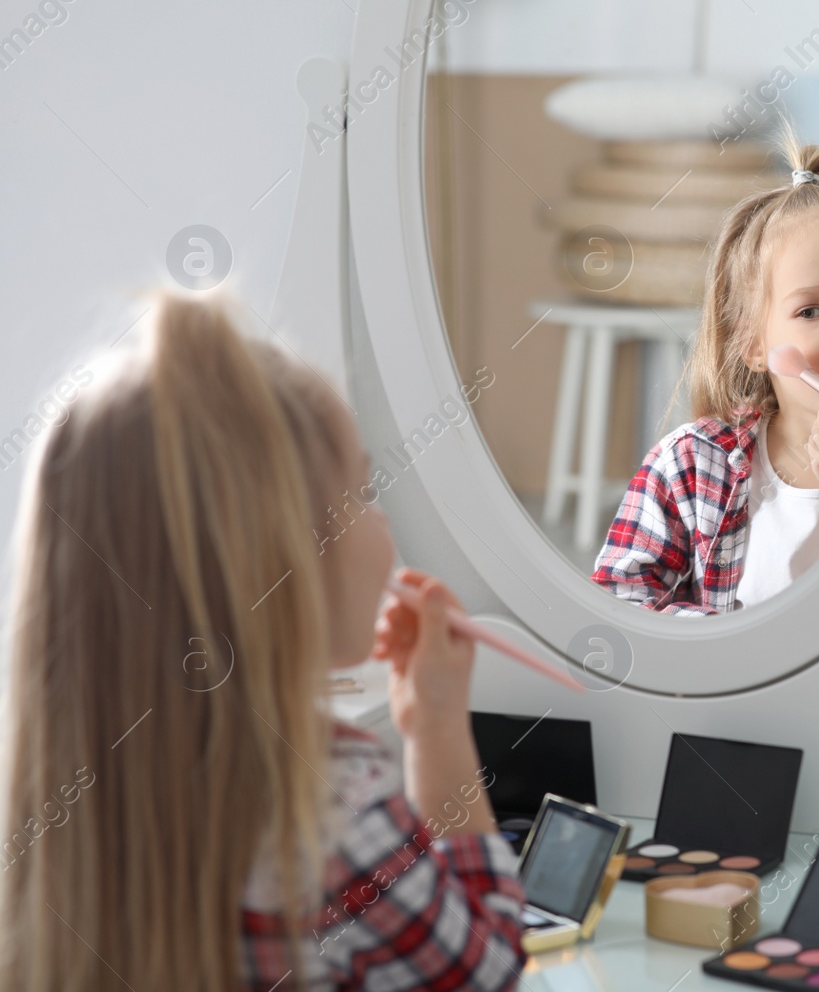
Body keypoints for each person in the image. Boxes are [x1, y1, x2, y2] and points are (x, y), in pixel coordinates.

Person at [0, 292, 527, 991]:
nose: (384, 523)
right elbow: (487, 974)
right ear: (280, 563)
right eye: (364, 491)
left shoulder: (46, 815)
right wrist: (436, 730)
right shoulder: (335, 816)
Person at [591, 133, 819, 614]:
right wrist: (731, 649)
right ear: (754, 345)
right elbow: (618, 604)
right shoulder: (689, 466)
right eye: (812, 311)